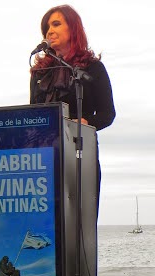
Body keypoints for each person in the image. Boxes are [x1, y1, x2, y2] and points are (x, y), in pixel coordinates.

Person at [30, 4, 116, 216]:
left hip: (80, 152)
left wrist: (87, 123)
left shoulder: (92, 68)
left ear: (73, 28)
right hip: (44, 158)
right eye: (46, 27)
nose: (49, 31)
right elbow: (31, 115)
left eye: (56, 24)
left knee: (80, 218)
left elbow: (108, 114)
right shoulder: (39, 72)